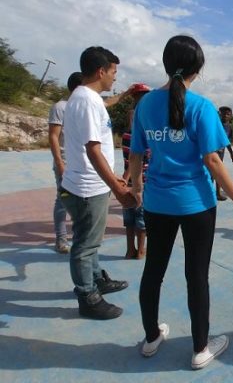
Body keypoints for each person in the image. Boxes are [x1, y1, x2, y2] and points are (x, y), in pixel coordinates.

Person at [129, 35, 233, 370]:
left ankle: (151, 337)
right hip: (196, 204)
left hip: (157, 203)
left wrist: (137, 188)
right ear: (197, 69)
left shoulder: (144, 105)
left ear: (166, 64)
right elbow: (213, 161)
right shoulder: (201, 107)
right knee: (196, 276)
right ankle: (200, 348)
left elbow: (136, 153)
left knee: (152, 271)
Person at [61, 47, 135, 320]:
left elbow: (94, 149)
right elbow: (93, 150)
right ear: (101, 71)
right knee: (85, 244)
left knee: (90, 240)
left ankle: (95, 280)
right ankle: (87, 297)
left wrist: (113, 178)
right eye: (114, 71)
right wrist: (118, 188)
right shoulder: (88, 101)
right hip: (87, 187)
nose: (115, 77)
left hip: (89, 183)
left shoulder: (85, 97)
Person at [48, 71, 83, 254]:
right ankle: (60, 239)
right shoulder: (60, 107)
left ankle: (80, 237)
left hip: (81, 164)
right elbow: (53, 136)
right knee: (63, 201)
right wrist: (60, 163)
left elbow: (106, 103)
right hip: (65, 163)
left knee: (82, 201)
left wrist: (124, 95)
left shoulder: (83, 105)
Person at [121, 83, 151, 260]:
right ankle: (141, 250)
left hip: (129, 182)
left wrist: (124, 180)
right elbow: (137, 160)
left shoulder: (125, 134)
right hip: (142, 181)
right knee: (141, 219)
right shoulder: (145, 131)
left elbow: (129, 159)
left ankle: (129, 250)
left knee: (129, 219)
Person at [215, 106, 233, 201]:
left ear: (231, 116)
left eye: (228, 114)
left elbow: (227, 142)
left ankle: (217, 193)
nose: (225, 116)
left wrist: (232, 154)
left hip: (221, 153)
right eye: (223, 113)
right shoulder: (215, 124)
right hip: (211, 152)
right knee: (209, 173)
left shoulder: (229, 127)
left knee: (218, 172)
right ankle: (208, 193)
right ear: (219, 114)